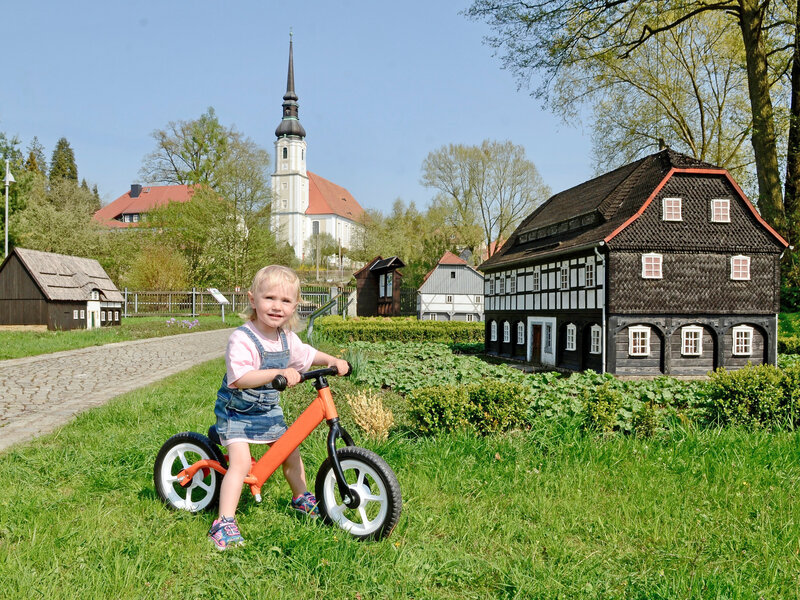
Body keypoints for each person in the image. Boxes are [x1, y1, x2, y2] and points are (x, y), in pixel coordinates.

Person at [208, 265, 349, 550]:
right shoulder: (243, 338)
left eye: (285, 301)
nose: (277, 306)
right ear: (252, 299)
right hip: (238, 413)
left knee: (290, 453)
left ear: (295, 306)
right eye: (269, 298)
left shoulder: (287, 338)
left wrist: (332, 360)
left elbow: (308, 354)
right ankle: (223, 522)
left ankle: (301, 498)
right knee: (241, 463)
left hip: (268, 411)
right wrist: (276, 374)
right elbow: (240, 378)